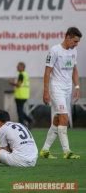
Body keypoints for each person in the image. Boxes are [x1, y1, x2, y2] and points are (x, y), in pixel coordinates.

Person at [40, 27, 82, 159]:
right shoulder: (54, 50)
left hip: (67, 89)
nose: (76, 44)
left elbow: (74, 70)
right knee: (65, 117)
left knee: (58, 119)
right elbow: (47, 72)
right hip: (56, 88)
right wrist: (46, 91)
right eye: (75, 41)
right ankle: (67, 151)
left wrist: (76, 86)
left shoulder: (74, 51)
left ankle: (45, 150)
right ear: (68, 37)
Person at [9, 62, 33, 128]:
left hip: (20, 95)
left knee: (20, 112)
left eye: (18, 66)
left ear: (22, 67)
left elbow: (19, 84)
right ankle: (28, 120)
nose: (17, 67)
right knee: (20, 110)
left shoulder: (21, 75)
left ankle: (22, 125)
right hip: (25, 95)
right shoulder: (26, 74)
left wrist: (11, 83)